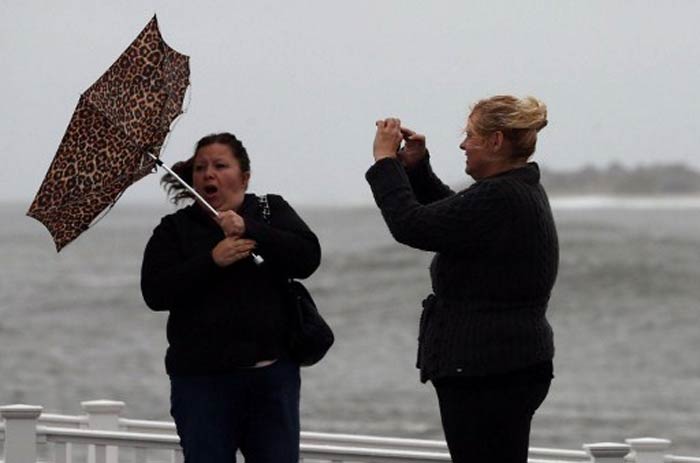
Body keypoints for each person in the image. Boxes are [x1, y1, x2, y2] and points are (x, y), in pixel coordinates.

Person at [365, 95, 557, 463]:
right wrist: (417, 169)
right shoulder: (515, 189)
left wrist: (385, 162)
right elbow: (457, 220)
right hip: (510, 365)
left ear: (496, 141)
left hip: (487, 371)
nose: (462, 144)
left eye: (470, 136)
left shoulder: (501, 195)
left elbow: (412, 225)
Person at [140, 132, 321, 463]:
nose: (209, 174)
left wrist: (250, 229)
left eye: (220, 165)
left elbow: (308, 257)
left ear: (244, 177)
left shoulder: (270, 209)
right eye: (200, 168)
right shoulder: (174, 229)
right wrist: (212, 260)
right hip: (200, 383)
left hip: (270, 377)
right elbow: (154, 292)